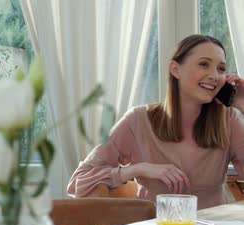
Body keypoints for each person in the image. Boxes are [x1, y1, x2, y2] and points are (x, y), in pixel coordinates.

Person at [67, 34, 244, 209]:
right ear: (175, 70)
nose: (214, 75)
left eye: (221, 69)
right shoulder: (138, 120)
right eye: (204, 64)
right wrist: (138, 169)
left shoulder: (229, 120)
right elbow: (78, 182)